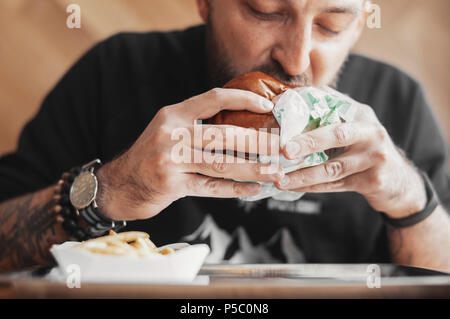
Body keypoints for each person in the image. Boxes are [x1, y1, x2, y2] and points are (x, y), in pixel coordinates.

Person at [0, 0, 449, 272]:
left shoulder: (398, 104)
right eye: (265, 11)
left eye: (332, 24)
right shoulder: (114, 73)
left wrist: (410, 200)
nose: (295, 62)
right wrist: (112, 190)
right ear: (205, 2)